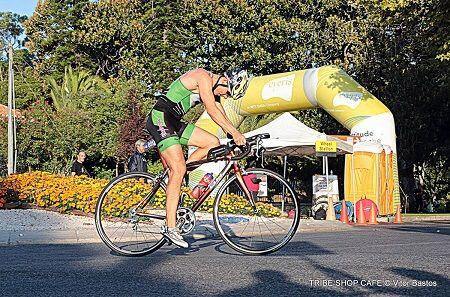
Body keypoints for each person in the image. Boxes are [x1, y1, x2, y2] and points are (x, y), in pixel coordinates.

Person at [146, 68, 248, 248]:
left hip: (174, 122)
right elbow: (211, 110)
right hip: (161, 118)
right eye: (227, 92)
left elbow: (220, 111)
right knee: (178, 169)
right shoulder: (203, 77)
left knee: (212, 142)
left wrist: (233, 134)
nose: (225, 95)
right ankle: (170, 227)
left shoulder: (212, 88)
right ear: (224, 81)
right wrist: (234, 133)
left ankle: (178, 173)